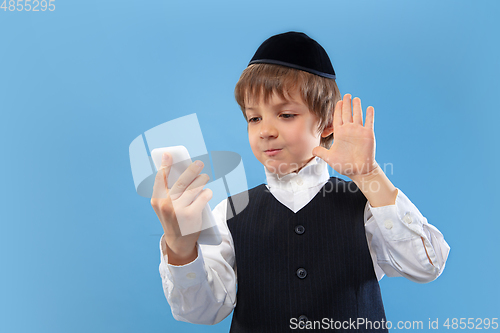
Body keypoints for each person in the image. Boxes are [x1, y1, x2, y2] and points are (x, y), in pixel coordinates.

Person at [151, 32, 450, 332]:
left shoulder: (367, 205)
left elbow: (428, 264)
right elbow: (202, 311)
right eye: (254, 118)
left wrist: (369, 175)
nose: (265, 131)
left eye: (285, 114)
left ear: (327, 123)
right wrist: (181, 250)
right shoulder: (228, 212)